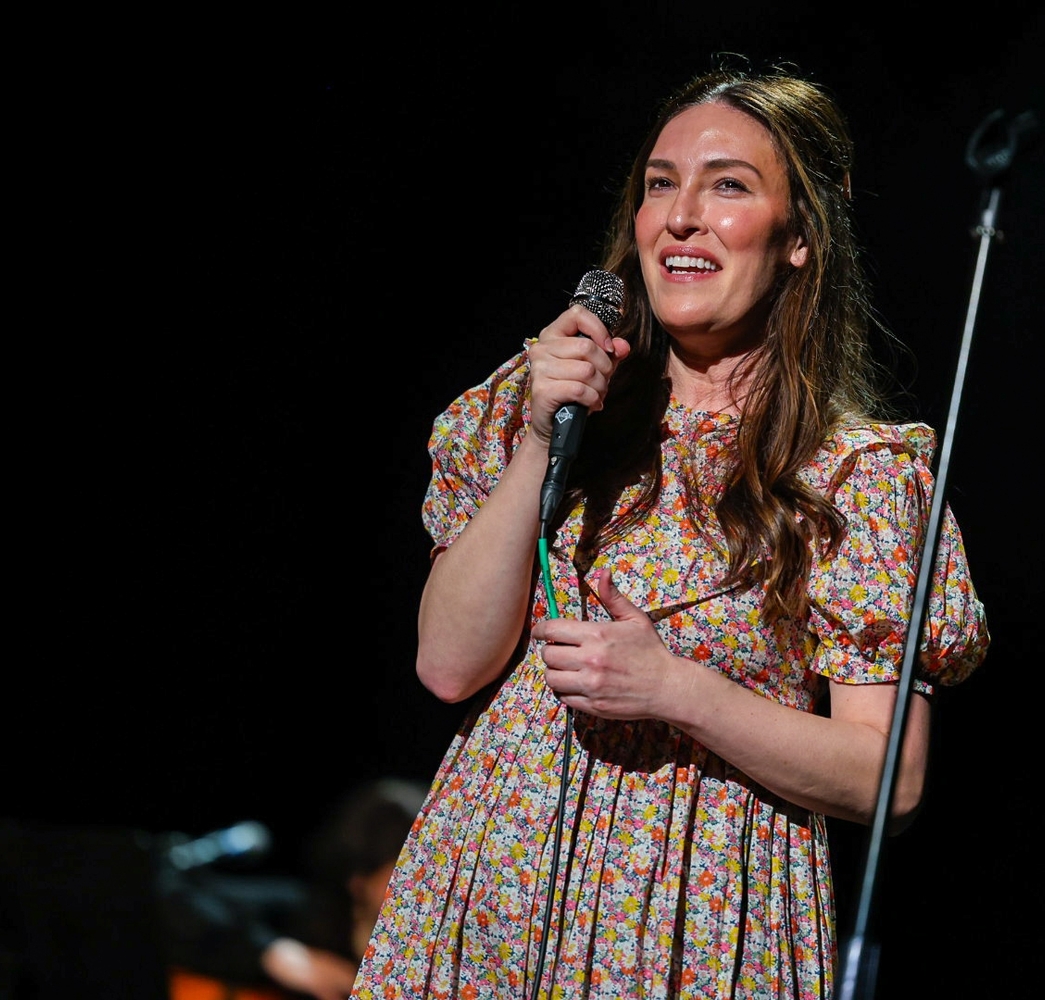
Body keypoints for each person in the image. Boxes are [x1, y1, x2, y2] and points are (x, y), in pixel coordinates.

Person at [352, 60, 990, 1000]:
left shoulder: (857, 475)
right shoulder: (545, 409)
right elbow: (447, 664)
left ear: (800, 235)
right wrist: (539, 442)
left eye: (728, 185)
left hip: (696, 919)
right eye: (660, 184)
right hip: (490, 890)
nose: (680, 216)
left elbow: (886, 779)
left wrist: (674, 689)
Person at [161, 777, 425, 1000]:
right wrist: (272, 953)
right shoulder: (308, 915)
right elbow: (166, 895)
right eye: (405, 872)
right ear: (359, 880)